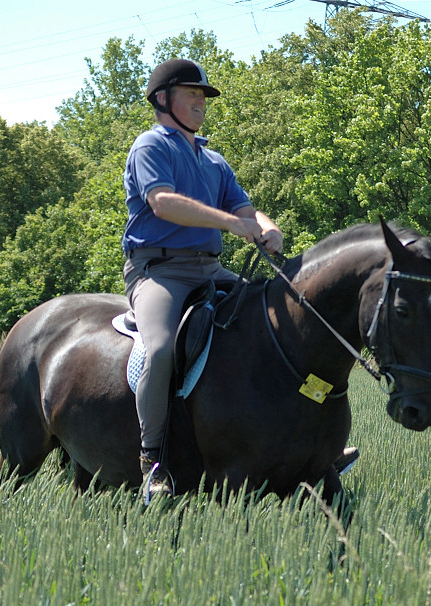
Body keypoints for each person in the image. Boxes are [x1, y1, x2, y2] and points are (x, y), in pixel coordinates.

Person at [122, 58, 284, 500]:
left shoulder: (214, 160)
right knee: (157, 350)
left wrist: (267, 228)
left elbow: (245, 210)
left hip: (211, 268)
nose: (201, 101)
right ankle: (151, 462)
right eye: (191, 93)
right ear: (162, 99)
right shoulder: (150, 147)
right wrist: (231, 224)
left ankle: (301, 444)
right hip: (159, 271)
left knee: (276, 327)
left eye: (204, 95)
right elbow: (163, 203)